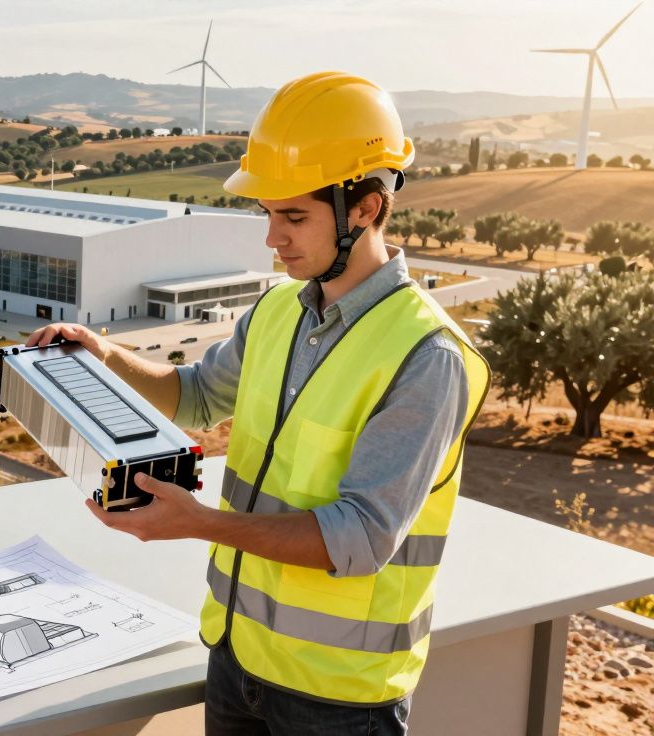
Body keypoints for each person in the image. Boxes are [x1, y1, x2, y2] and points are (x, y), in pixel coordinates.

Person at [27, 71, 489, 735]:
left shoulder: (426, 356)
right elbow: (193, 398)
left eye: (294, 217)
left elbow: (359, 538)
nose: (272, 238)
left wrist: (198, 523)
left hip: (338, 696)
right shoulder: (277, 311)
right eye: (268, 214)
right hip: (238, 658)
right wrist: (105, 354)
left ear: (366, 208)